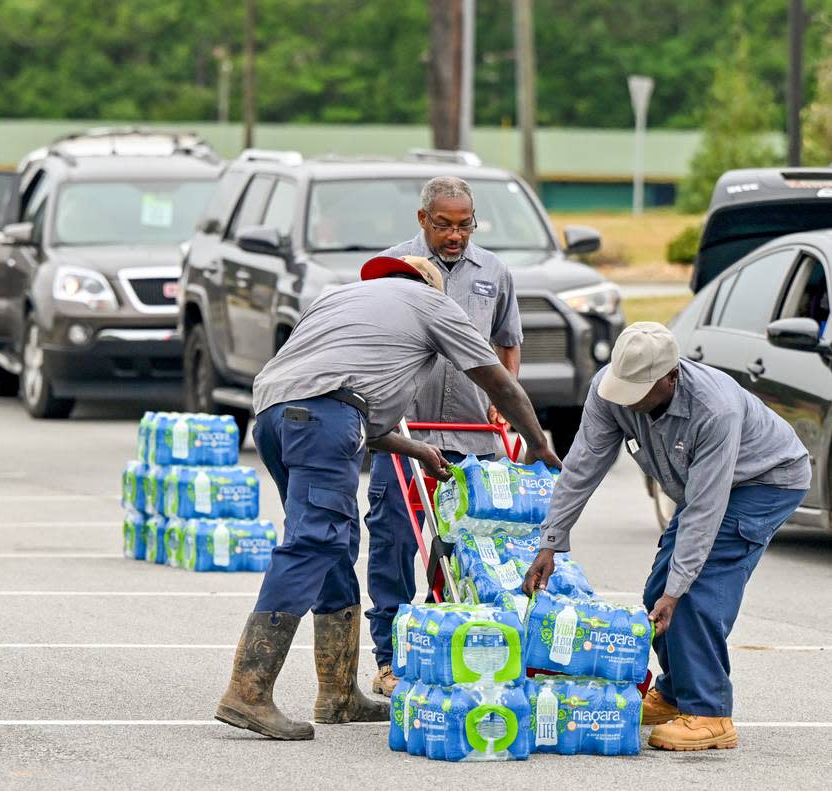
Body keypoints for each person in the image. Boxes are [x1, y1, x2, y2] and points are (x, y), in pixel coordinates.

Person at [215, 255, 562, 741]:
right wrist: (538, 440)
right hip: (322, 418)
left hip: (274, 417)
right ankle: (248, 691)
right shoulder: (431, 302)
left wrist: (417, 448)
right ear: (431, 286)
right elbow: (497, 380)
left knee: (330, 544)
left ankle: (336, 695)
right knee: (315, 543)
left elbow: (354, 418)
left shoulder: (337, 298)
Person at [521, 322, 810, 752]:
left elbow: (706, 509)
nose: (627, 398)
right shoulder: (610, 389)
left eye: (638, 388)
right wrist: (550, 541)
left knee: (695, 590)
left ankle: (710, 712)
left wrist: (680, 587)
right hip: (701, 491)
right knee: (659, 589)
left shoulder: (715, 408)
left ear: (670, 375)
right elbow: (582, 465)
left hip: (764, 482)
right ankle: (677, 694)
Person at [364, 175, 523, 697]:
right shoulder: (392, 270)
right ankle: (388, 656)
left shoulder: (493, 272)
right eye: (443, 225)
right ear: (422, 219)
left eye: (465, 225)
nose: (455, 236)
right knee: (392, 536)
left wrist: (504, 399)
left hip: (472, 435)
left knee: (462, 545)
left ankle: (443, 641)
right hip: (404, 431)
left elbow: (507, 344)